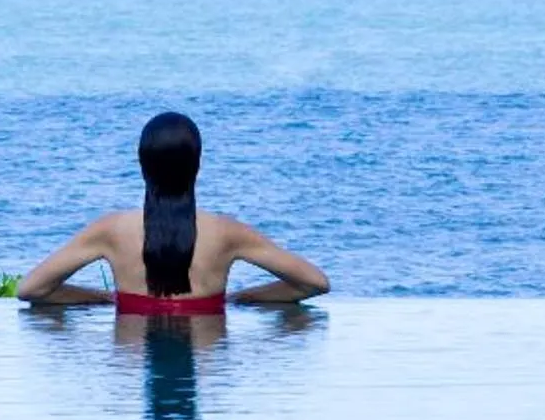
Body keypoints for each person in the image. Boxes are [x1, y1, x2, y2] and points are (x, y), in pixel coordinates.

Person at [17, 112, 330, 315]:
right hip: (208, 358)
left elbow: (32, 289)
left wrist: (101, 298)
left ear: (142, 165)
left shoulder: (111, 230)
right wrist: (243, 297)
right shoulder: (226, 233)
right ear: (197, 165)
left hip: (132, 359)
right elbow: (313, 283)